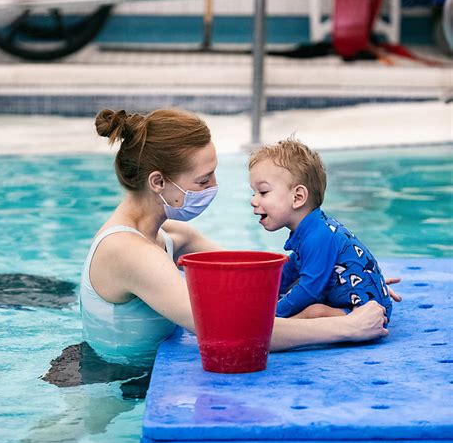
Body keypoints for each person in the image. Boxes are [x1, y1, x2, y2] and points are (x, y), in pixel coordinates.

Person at [77, 107, 393, 366]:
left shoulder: (171, 234)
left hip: (145, 376)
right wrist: (346, 326)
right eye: (203, 180)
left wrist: (348, 276)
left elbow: (248, 282)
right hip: (109, 384)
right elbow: (230, 335)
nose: (215, 185)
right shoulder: (128, 251)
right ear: (158, 182)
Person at [249, 138, 395, 321]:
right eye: (253, 192)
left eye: (263, 192)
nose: (253, 201)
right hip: (345, 301)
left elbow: (309, 289)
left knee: (314, 311)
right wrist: (259, 293)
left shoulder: (318, 236)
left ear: (298, 197)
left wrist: (270, 314)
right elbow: (289, 271)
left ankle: (272, 328)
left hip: (365, 311)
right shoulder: (310, 231)